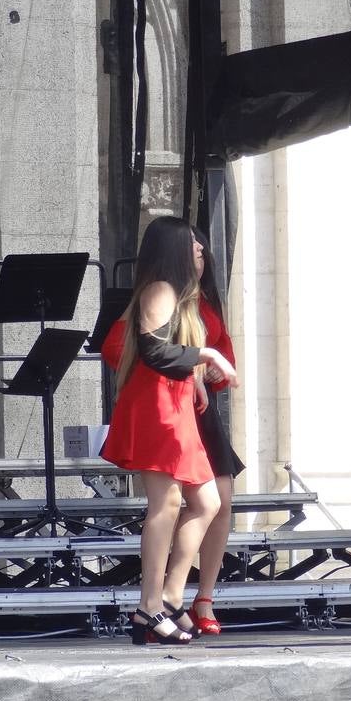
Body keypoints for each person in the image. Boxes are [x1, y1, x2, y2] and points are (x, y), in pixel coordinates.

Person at [100, 216, 239, 645]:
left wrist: (196, 375)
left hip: (173, 400)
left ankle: (170, 595)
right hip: (156, 404)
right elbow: (154, 349)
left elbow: (167, 351)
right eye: (192, 246)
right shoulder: (159, 288)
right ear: (174, 250)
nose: (201, 251)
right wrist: (208, 354)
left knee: (209, 500)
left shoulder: (179, 296)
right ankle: (148, 606)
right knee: (167, 503)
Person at [186, 225, 245, 634]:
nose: (201, 255)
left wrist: (213, 370)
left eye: (204, 252)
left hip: (204, 410)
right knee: (182, 504)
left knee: (222, 499)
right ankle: (170, 593)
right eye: (194, 250)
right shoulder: (160, 299)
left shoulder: (207, 304)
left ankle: (204, 595)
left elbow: (227, 357)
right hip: (174, 411)